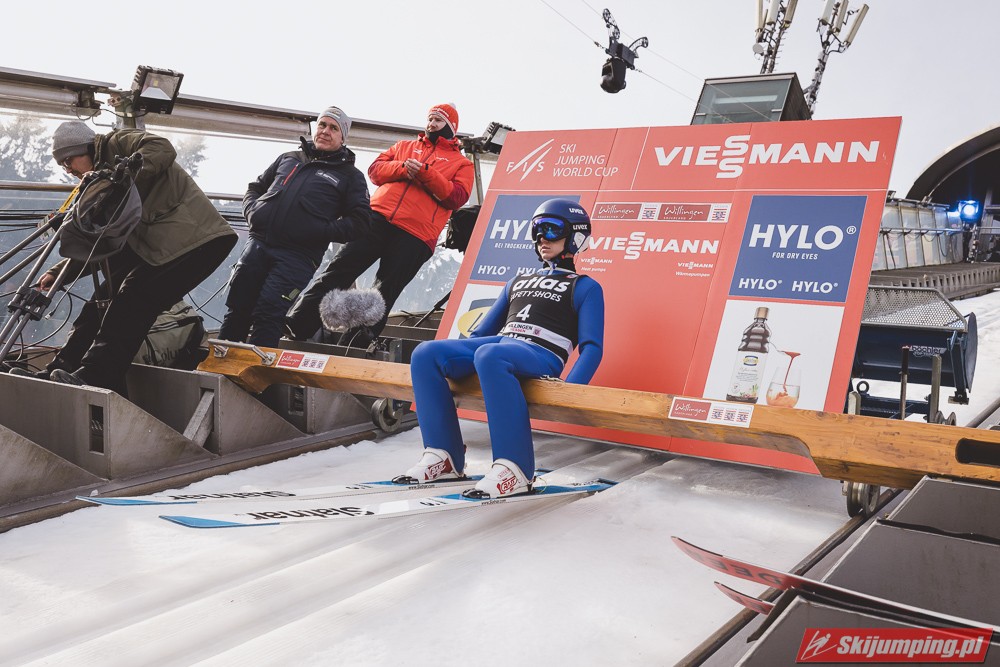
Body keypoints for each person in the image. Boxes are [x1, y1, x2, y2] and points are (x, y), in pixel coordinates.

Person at [397, 199, 605, 498]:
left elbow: (592, 347)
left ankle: (515, 468)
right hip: (501, 345)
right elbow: (481, 334)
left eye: (552, 229)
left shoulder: (585, 286)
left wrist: (571, 392)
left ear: (575, 236)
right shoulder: (517, 281)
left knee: (490, 354)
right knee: (426, 353)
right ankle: (443, 456)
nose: (542, 237)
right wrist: (457, 358)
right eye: (536, 229)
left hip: (541, 353)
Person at [13, 121, 237, 395]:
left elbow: (161, 147)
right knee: (99, 303)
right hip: (152, 247)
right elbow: (100, 243)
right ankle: (61, 367)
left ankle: (98, 375)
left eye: (68, 161)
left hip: (196, 240)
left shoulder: (116, 143)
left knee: (132, 300)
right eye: (63, 165)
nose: (68, 170)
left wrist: (125, 172)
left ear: (85, 148)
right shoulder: (101, 185)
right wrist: (59, 274)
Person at [285, 103, 474, 345]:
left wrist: (426, 173)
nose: (431, 124)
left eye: (438, 120)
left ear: (451, 126)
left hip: (417, 234)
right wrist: (402, 168)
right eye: (430, 119)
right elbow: (375, 171)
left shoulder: (462, 163)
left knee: (384, 290)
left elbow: (456, 197)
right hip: (377, 218)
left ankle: (355, 343)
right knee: (338, 269)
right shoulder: (404, 146)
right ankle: (298, 323)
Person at [218, 106, 372, 346]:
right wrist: (253, 212)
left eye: (334, 128)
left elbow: (360, 222)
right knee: (238, 307)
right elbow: (255, 188)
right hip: (258, 244)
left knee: (269, 313)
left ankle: (257, 370)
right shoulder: (289, 158)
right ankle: (222, 362)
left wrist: (319, 231)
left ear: (343, 138)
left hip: (297, 257)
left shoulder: (350, 176)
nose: (325, 131)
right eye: (322, 125)